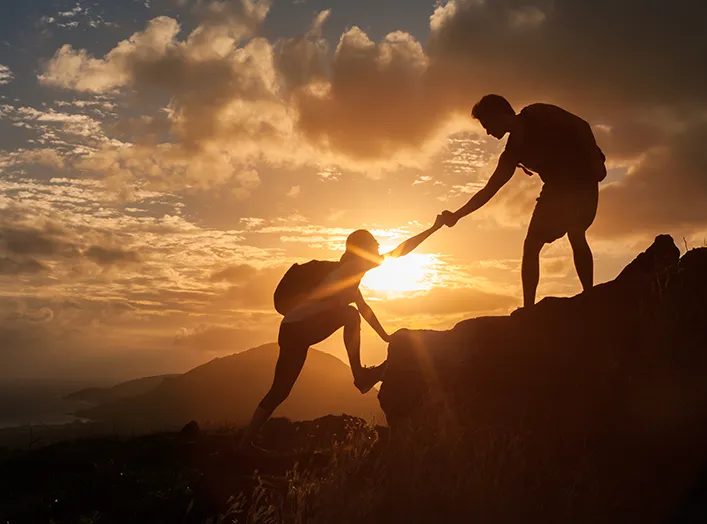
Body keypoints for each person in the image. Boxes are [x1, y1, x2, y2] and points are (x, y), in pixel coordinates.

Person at [238, 216, 445, 450]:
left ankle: (244, 444)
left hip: (290, 330)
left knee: (280, 391)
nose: (378, 248)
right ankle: (360, 377)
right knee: (349, 316)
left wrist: (386, 337)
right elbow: (399, 252)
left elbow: (365, 309)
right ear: (362, 250)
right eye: (374, 244)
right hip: (299, 330)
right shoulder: (353, 267)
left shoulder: (347, 277)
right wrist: (433, 228)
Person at [441, 95, 606, 306]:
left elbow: (581, 126)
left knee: (575, 232)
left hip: (582, 175)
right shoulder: (512, 153)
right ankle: (529, 309)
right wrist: (457, 215)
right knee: (531, 244)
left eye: (487, 124)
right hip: (556, 188)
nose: (488, 132)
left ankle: (589, 296)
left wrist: (593, 158)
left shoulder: (538, 113)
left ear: (499, 114)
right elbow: (490, 189)